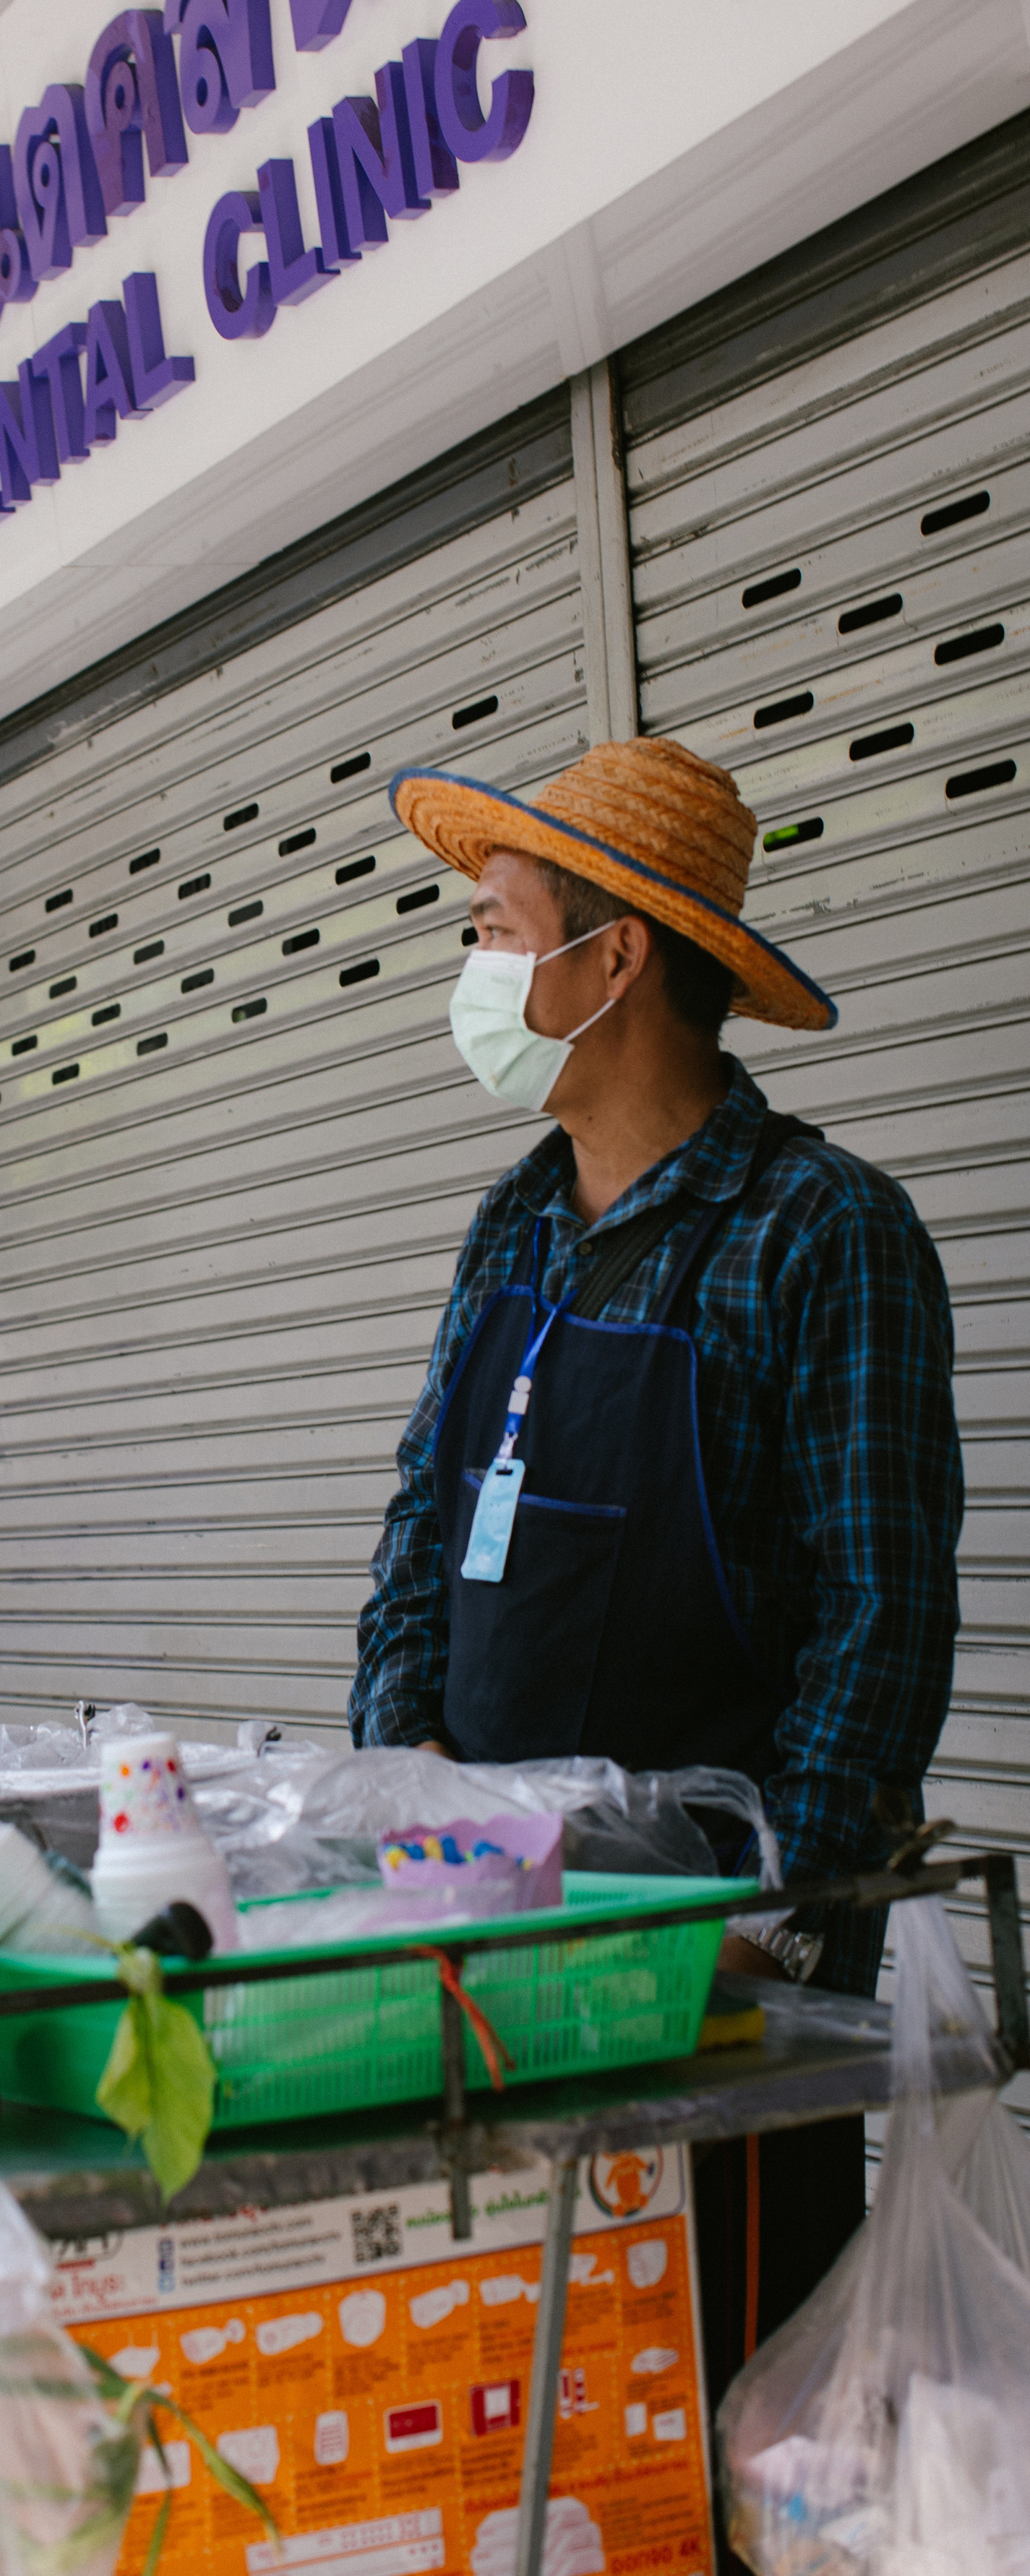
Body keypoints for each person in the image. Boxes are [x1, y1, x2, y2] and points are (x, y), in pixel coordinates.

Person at [348, 738, 961, 2405]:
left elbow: (879, 1613)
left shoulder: (817, 1234)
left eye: (491, 924)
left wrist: (768, 1935)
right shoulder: (511, 1225)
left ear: (608, 955)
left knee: (707, 2431)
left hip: (704, 1994)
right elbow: (420, 1543)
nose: (470, 964)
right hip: (484, 1957)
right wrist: (401, 1817)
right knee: (504, 2438)